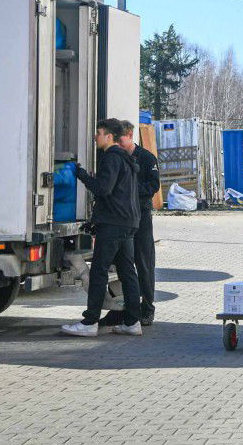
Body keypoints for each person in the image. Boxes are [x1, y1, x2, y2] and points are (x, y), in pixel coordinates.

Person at [61, 118, 144, 337]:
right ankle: (133, 321)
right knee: (128, 272)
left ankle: (89, 323)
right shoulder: (126, 159)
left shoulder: (111, 158)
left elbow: (103, 189)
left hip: (114, 223)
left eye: (99, 133)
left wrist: (82, 175)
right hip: (128, 222)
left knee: (99, 271)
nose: (95, 137)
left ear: (109, 136)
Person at [109, 120, 162, 326]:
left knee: (144, 262)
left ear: (130, 135)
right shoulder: (115, 158)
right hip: (121, 218)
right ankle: (122, 307)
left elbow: (153, 186)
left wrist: (130, 192)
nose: (118, 144)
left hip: (141, 216)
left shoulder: (147, 158)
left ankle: (147, 308)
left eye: (120, 140)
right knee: (121, 263)